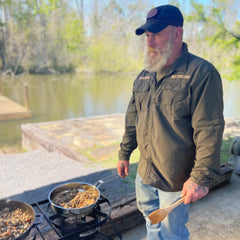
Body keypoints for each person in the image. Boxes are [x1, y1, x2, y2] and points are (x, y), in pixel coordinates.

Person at [117, 4, 225, 240]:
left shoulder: (200, 73)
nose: (149, 42)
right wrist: (125, 152)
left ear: (177, 34)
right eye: (147, 36)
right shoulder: (144, 75)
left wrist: (199, 177)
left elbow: (209, 129)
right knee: (151, 224)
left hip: (174, 178)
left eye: (156, 34)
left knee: (172, 233)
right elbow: (133, 117)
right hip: (144, 173)